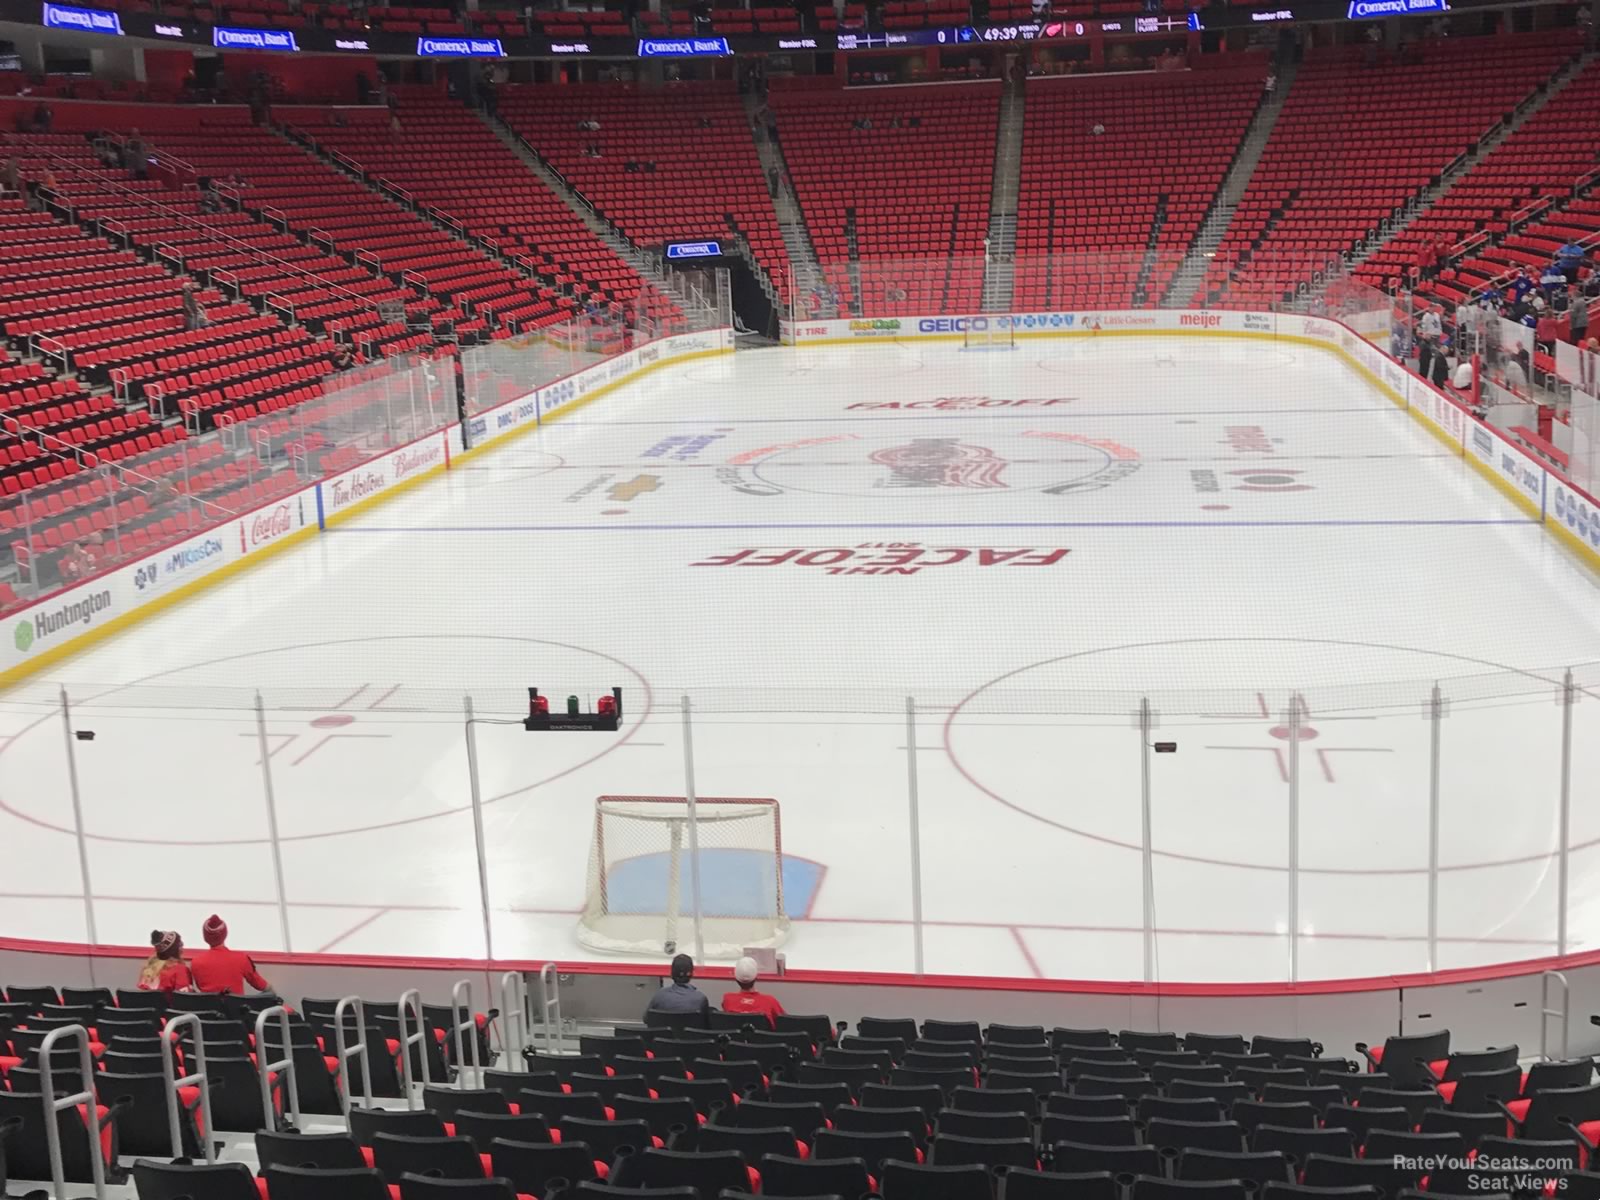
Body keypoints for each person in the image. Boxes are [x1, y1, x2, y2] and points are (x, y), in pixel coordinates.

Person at [189, 915, 272, 995]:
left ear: (205, 938)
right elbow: (261, 985)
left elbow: (200, 987)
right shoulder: (241, 959)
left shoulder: (195, 963)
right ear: (225, 934)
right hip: (237, 1008)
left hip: (208, 1008)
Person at [720, 956, 785, 1028]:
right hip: (763, 1039)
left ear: (736, 979)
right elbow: (785, 1021)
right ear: (756, 977)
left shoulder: (727, 999)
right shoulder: (769, 1001)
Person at [644, 953, 710, 1022]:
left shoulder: (659, 996)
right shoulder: (700, 998)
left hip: (664, 1033)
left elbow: (646, 1019)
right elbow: (706, 1025)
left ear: (671, 974)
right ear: (692, 974)